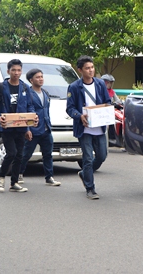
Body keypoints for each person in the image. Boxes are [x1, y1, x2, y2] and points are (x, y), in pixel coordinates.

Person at [66, 55, 111, 199]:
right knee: (87, 158)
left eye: (92, 67)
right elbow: (70, 108)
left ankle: (84, 174)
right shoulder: (74, 87)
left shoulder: (100, 84)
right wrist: (80, 116)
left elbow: (107, 101)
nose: (91, 70)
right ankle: (90, 189)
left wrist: (107, 110)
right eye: (87, 68)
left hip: (99, 128)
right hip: (84, 129)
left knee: (102, 156)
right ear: (80, 70)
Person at [0, 59, 38, 193]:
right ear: (8, 71)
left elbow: (30, 106)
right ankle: (1, 177)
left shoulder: (25, 88)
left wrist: (30, 125)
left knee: (20, 155)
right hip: (6, 127)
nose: (16, 73)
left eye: (18, 70)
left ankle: (14, 182)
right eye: (13, 70)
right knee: (11, 153)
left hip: (21, 127)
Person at [18, 68, 61, 186]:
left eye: (41, 76)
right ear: (31, 80)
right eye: (38, 77)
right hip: (33, 130)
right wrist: (27, 129)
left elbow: (46, 110)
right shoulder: (27, 94)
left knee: (48, 154)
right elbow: (25, 112)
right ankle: (18, 173)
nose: (41, 79)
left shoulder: (45, 93)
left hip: (46, 129)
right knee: (26, 154)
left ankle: (49, 177)